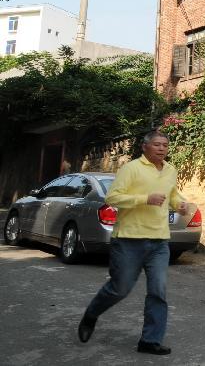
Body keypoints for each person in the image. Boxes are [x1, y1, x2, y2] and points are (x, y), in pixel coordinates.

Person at [78, 130, 192, 356]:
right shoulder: (131, 169)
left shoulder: (170, 170)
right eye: (157, 144)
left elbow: (172, 195)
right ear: (145, 147)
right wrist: (145, 199)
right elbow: (112, 198)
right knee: (120, 289)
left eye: (165, 145)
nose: (162, 148)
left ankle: (150, 341)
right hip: (129, 240)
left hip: (159, 241)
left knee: (158, 292)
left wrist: (180, 204)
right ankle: (91, 314)